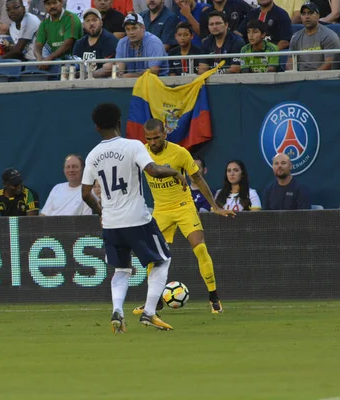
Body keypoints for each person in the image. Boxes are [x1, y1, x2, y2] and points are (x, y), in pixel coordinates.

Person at [81, 103, 188, 332]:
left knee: (121, 269)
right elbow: (153, 170)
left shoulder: (93, 155)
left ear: (97, 127)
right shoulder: (133, 145)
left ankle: (117, 311)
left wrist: (101, 212)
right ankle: (149, 313)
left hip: (111, 223)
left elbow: (85, 193)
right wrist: (176, 173)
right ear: (119, 123)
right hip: (137, 219)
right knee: (162, 259)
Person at [134, 118, 235, 316]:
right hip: (160, 210)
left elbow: (197, 178)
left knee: (200, 247)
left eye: (156, 137)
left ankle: (214, 297)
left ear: (165, 134)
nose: (153, 142)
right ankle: (154, 303)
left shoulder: (180, 153)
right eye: (149, 138)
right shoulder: (140, 152)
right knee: (153, 257)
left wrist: (215, 207)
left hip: (183, 206)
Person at [286, 3, 340, 71]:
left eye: (310, 13)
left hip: (322, 78)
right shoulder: (295, 37)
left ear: (318, 15)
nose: (307, 16)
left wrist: (312, 76)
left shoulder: (329, 36)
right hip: (300, 77)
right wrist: (292, 74)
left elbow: (330, 63)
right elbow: (290, 61)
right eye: (303, 13)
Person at [115, 13, 169, 77]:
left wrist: (130, 76)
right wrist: (120, 75)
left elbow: (154, 72)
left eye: (134, 28)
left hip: (156, 82)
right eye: (127, 29)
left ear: (143, 28)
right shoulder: (122, 43)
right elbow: (119, 70)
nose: (131, 32)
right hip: (130, 83)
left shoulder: (153, 42)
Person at [34, 0, 82, 70]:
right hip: (56, 60)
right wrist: (39, 58)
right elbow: (38, 44)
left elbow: (67, 45)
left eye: (54, 2)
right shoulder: (44, 23)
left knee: (66, 66)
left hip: (75, 60)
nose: (52, 6)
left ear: (61, 3)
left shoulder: (71, 18)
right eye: (48, 3)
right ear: (45, 6)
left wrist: (49, 59)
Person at [72, 7, 118, 78]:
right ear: (83, 25)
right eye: (88, 21)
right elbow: (75, 66)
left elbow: (109, 68)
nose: (91, 23)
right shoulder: (79, 43)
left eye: (94, 20)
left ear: (101, 22)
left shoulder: (110, 40)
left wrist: (87, 76)